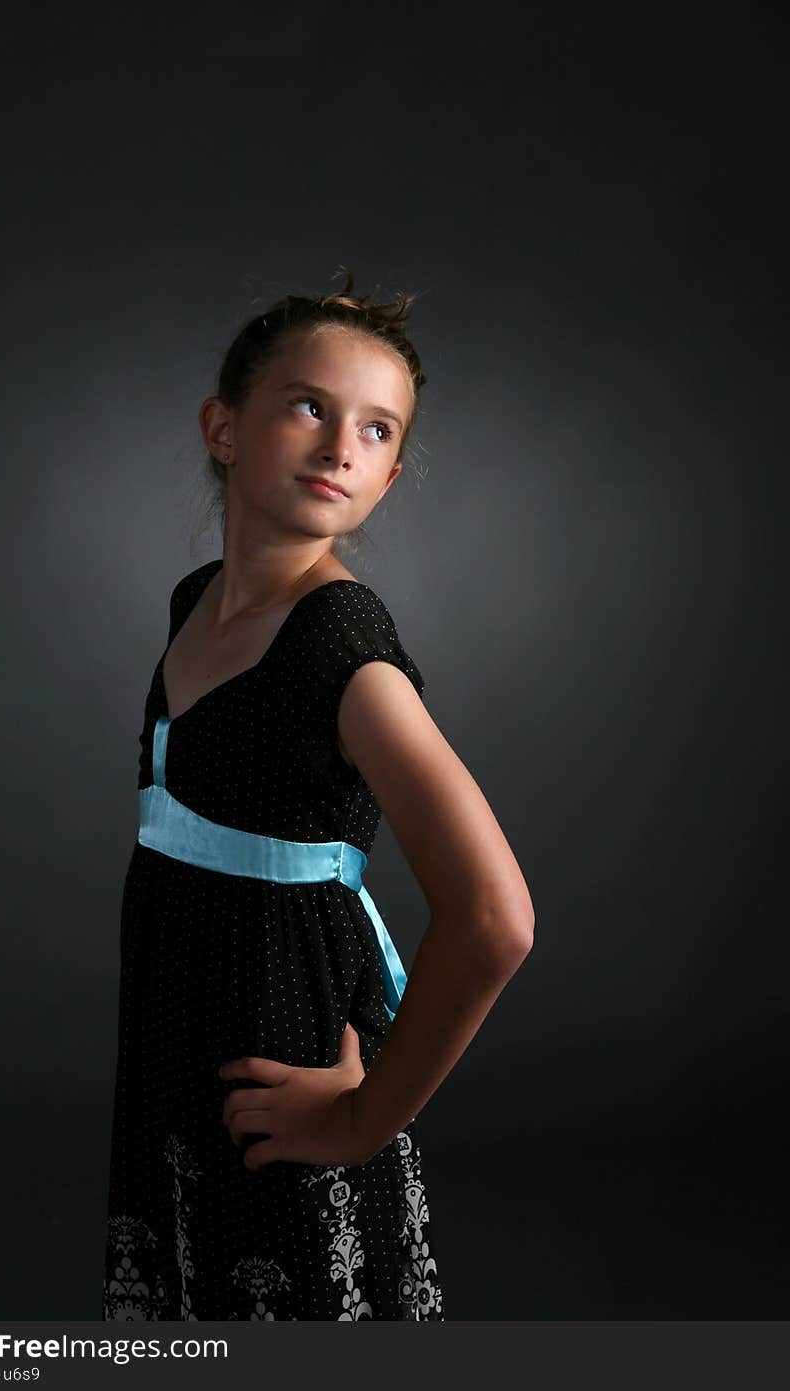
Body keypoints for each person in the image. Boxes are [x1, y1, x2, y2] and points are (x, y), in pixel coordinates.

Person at [101, 270, 535, 1322]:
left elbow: (494, 918)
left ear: (387, 476)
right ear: (223, 426)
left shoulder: (343, 651)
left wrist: (358, 1121)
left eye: (378, 430)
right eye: (309, 406)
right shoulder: (193, 601)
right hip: (176, 1046)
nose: (342, 445)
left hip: (278, 1058)